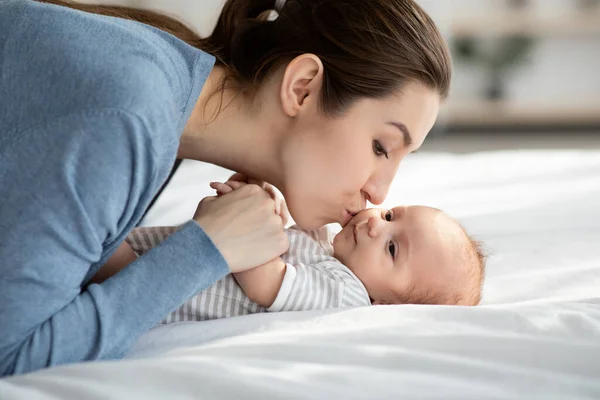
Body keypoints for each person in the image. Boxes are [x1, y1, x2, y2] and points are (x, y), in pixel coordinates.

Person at [0, 0, 451, 376]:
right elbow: (13, 356)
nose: (380, 193)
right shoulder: (129, 119)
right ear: (303, 87)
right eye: (381, 146)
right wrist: (206, 249)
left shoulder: (166, 93)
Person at [103, 182, 486, 323]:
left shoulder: (346, 294)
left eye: (391, 247)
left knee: (96, 240)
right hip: (163, 250)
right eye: (389, 215)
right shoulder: (324, 243)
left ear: (386, 305)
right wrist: (261, 196)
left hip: (159, 289)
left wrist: (253, 221)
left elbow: (265, 282)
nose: (375, 224)